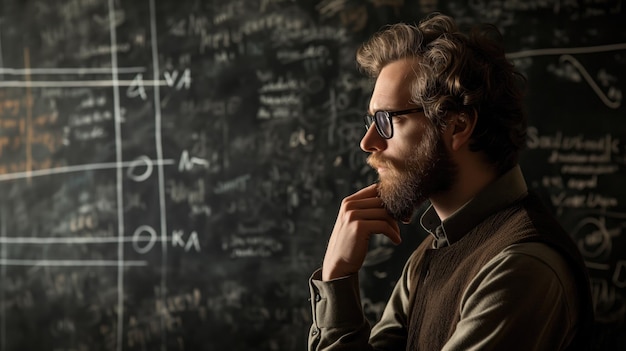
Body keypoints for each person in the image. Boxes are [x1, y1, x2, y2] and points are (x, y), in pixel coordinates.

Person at [307, 13, 594, 351]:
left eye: (385, 120)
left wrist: (338, 284)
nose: (368, 142)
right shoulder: (431, 254)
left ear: (457, 126)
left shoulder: (521, 267)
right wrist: (337, 276)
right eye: (370, 120)